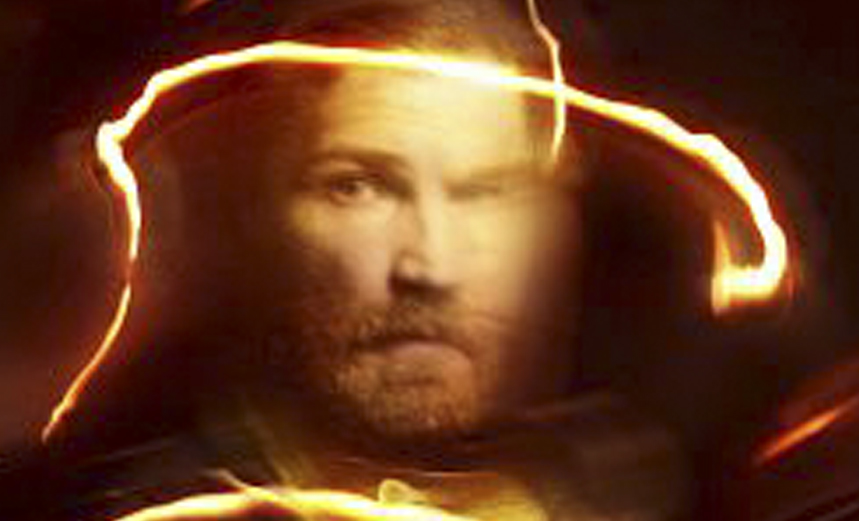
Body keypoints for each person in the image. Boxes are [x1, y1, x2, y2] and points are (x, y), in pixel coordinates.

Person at [1, 0, 688, 519]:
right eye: (358, 187)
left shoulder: (629, 493)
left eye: (485, 189)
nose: (430, 265)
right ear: (256, 211)